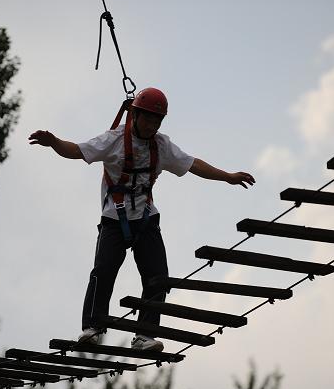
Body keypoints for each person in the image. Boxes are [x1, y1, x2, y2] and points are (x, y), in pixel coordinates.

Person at [29, 88, 255, 351]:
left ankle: (144, 335)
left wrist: (227, 176)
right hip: (114, 218)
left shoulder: (162, 146)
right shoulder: (113, 140)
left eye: (157, 121)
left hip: (146, 218)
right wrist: (54, 141)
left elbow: (193, 165)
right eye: (147, 119)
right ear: (134, 115)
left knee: (158, 276)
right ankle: (92, 328)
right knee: (103, 272)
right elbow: (77, 151)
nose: (151, 125)